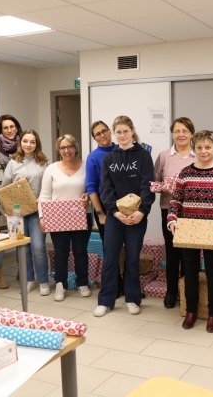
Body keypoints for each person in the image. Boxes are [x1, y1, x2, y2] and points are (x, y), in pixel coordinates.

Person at [167, 130, 213, 333]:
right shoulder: (185, 173)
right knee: (190, 272)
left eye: (208, 147)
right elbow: (175, 201)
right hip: (188, 230)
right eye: (199, 147)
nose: (203, 151)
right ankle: (191, 311)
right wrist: (172, 220)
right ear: (194, 148)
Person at [94, 116, 155, 317]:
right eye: (118, 132)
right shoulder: (109, 159)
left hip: (137, 217)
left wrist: (141, 211)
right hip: (115, 217)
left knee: (131, 259)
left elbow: (148, 186)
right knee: (110, 257)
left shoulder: (144, 156)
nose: (122, 135)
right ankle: (106, 300)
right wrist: (115, 212)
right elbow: (105, 188)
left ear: (132, 131)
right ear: (114, 133)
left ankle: (132, 298)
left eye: (126, 131)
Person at [39, 135, 92, 300]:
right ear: (58, 150)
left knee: (81, 251)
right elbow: (45, 195)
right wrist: (42, 217)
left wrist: (88, 197)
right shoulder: (51, 169)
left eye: (69, 146)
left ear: (75, 147)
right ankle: (60, 284)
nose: (66, 150)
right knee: (61, 253)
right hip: (57, 217)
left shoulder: (86, 166)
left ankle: (82, 282)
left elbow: (93, 188)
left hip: (82, 216)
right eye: (63, 148)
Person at [154, 117, 196, 309]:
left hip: (193, 212)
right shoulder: (163, 156)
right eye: (177, 131)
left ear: (191, 134)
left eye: (185, 131)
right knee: (172, 254)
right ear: (172, 133)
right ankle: (171, 292)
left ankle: (188, 295)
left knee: (190, 255)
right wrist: (162, 187)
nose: (181, 134)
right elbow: (153, 182)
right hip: (168, 210)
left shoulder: (198, 156)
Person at [2, 130, 50, 294]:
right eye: (25, 141)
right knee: (23, 247)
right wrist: (6, 210)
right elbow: (5, 188)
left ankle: (43, 280)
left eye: (32, 142)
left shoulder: (44, 162)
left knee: (38, 247)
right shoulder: (13, 163)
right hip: (18, 213)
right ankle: (29, 279)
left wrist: (43, 199)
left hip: (38, 211)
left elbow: (48, 186)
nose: (28, 145)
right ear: (20, 143)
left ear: (37, 144)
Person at [85, 121, 123, 297]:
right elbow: (92, 188)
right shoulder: (93, 157)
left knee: (127, 248)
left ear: (110, 131)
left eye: (104, 131)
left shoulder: (122, 149)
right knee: (110, 249)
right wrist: (100, 213)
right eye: (98, 134)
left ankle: (126, 285)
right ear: (94, 138)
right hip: (104, 207)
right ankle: (113, 286)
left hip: (125, 205)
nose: (102, 135)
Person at [0, 114, 23, 289]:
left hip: (21, 198)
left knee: (20, 234)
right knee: (0, 235)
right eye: (5, 128)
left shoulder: (25, 145)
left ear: (17, 127)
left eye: (12, 126)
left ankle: (22, 268)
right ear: (0, 130)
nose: (9, 130)